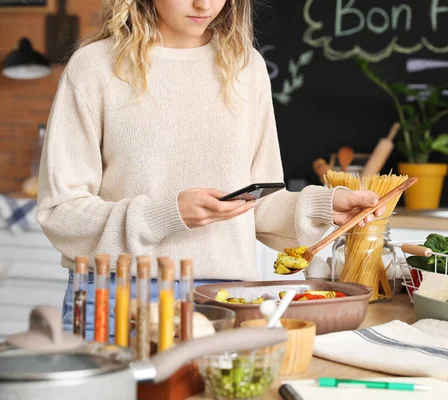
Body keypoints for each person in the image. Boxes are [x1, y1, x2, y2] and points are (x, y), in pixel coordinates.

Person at [36, 0, 383, 340]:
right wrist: (166, 215)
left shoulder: (245, 66)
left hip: (227, 299)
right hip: (118, 294)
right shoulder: (95, 67)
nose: (204, 5)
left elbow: (253, 207)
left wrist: (324, 206)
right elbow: (60, 213)